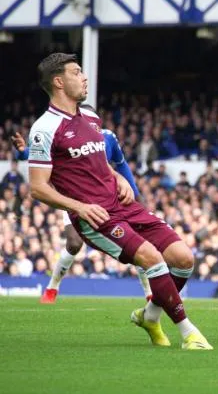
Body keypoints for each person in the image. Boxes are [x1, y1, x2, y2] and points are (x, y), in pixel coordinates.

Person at [26, 53, 211, 349]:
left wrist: (120, 178)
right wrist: (79, 207)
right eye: (77, 72)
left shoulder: (91, 117)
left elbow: (99, 163)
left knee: (183, 258)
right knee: (151, 257)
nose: (84, 77)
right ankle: (189, 333)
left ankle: (150, 316)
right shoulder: (44, 129)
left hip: (123, 204)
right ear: (59, 82)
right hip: (95, 216)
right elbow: (37, 188)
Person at [12, 109, 153, 304]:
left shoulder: (108, 138)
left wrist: (135, 196)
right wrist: (22, 153)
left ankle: (148, 292)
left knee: (136, 240)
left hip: (108, 199)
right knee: (74, 244)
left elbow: (121, 164)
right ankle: (52, 288)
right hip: (75, 200)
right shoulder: (67, 139)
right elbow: (41, 157)